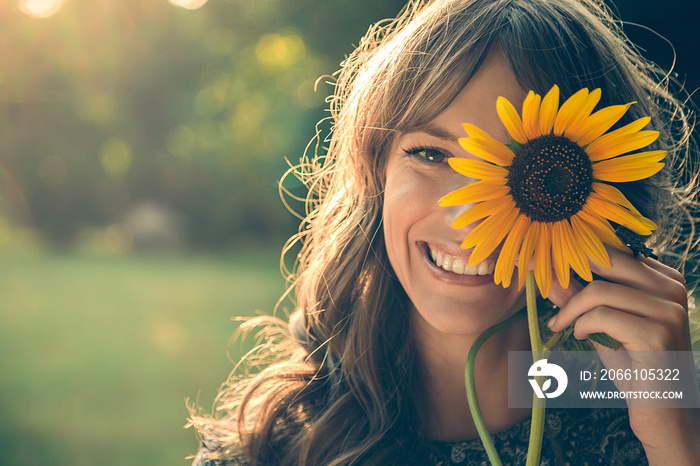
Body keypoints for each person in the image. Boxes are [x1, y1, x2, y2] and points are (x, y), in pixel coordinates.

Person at [188, 0, 700, 464]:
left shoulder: (642, 419)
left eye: (525, 171)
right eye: (432, 154)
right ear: (376, 173)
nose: (469, 219)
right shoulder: (272, 449)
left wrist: (677, 444)